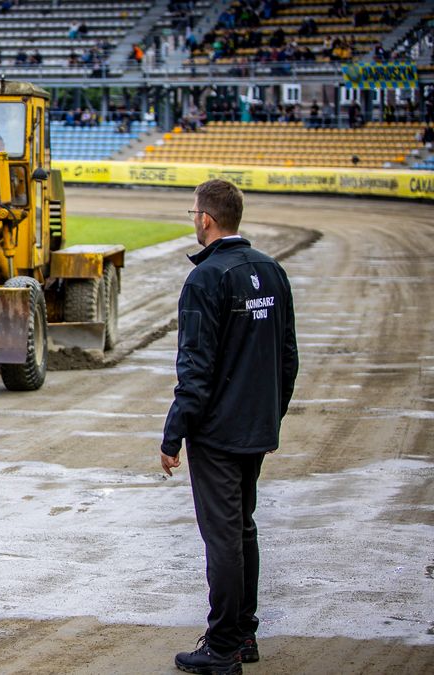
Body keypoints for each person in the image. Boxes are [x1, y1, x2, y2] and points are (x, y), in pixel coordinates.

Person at [161, 180, 298, 675]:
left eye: (193, 212)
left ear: (207, 219)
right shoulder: (271, 269)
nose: (192, 219)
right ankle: (243, 637)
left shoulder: (206, 279)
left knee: (223, 537)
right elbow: (288, 358)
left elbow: (194, 368)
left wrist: (173, 434)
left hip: (218, 433)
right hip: (256, 426)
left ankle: (221, 647)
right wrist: (270, 412)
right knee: (242, 529)